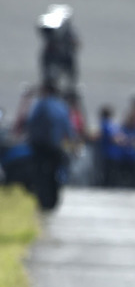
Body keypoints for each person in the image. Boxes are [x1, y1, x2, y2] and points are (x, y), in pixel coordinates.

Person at [26, 80, 74, 209]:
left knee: (40, 172)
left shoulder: (42, 104)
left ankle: (42, 199)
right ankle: (54, 199)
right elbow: (69, 127)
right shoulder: (62, 105)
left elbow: (31, 121)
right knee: (55, 172)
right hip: (56, 145)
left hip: (40, 146)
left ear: (46, 90)